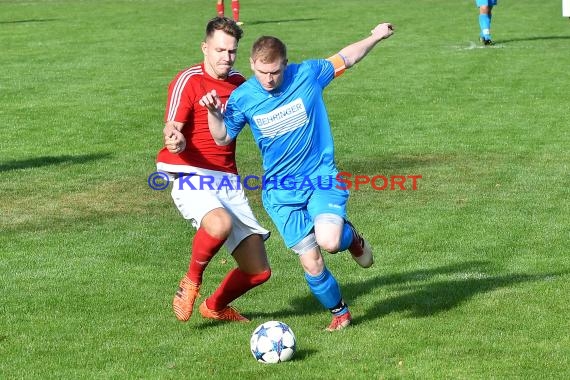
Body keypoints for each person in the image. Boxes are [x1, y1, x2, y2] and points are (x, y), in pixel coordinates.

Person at [199, 22, 395, 331]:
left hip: (320, 178)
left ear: (285, 65)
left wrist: (374, 36)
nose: (269, 79)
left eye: (275, 71)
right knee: (311, 260)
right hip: (280, 194)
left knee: (329, 241)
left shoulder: (308, 75)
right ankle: (340, 313)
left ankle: (351, 237)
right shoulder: (243, 97)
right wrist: (213, 113)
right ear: (252, 65)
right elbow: (222, 137)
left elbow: (347, 57)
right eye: (263, 72)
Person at [156, 16, 271, 324]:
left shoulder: (238, 84)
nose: (226, 57)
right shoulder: (189, 80)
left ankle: (215, 306)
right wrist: (175, 139)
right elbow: (173, 128)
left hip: (228, 180)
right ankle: (191, 281)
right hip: (190, 173)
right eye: (220, 50)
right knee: (218, 225)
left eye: (232, 51)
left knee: (258, 271)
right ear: (205, 47)